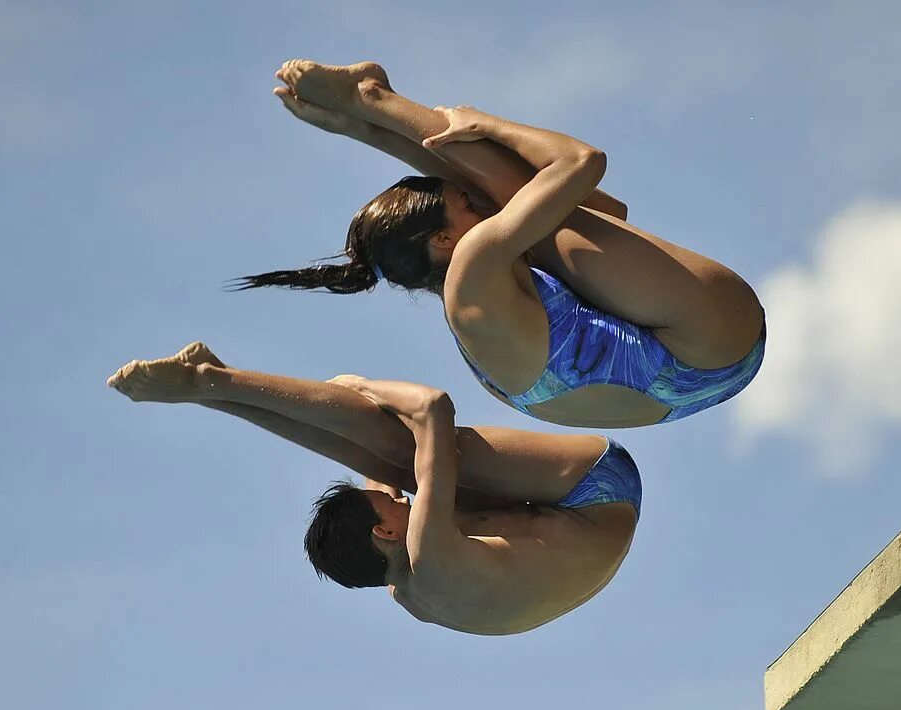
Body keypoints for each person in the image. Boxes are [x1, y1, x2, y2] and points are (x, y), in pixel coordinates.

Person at [234, 60, 766, 429]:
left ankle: (367, 109)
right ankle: (374, 98)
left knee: (531, 207)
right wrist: (484, 123)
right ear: (443, 239)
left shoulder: (477, 305)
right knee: (522, 197)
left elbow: (607, 213)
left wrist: (363, 132)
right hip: (705, 346)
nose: (480, 207)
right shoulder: (473, 266)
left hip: (704, 374)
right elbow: (582, 163)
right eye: (464, 205)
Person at [107, 343, 640, 635]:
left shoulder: (407, 590)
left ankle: (218, 393)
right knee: (407, 445)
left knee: (383, 457)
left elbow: (372, 471)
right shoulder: (429, 553)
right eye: (387, 506)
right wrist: (361, 386)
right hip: (598, 487)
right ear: (385, 531)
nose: (397, 498)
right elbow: (433, 408)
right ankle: (212, 385)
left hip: (579, 537)